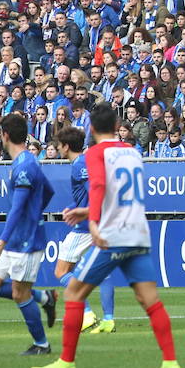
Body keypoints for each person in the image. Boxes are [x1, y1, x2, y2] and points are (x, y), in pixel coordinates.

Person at [31, 105, 181, 368]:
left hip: (114, 233)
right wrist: (87, 212)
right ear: (116, 126)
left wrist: (95, 222)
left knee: (73, 292)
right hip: (138, 230)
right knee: (149, 299)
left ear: (91, 128)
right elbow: (121, 193)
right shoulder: (133, 152)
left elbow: (98, 187)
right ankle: (170, 362)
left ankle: (66, 363)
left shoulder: (96, 154)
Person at [0, 112, 58, 356]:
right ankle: (45, 298)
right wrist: (36, 210)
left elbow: (19, 206)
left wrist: (3, 238)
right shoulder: (26, 161)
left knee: (18, 293)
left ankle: (42, 345)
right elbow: (49, 191)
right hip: (17, 237)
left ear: (5, 135)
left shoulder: (24, 165)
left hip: (25, 240)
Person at [52, 126, 114, 334]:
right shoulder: (89, 161)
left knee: (62, 271)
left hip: (87, 227)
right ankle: (109, 320)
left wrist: (83, 212)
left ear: (66, 146)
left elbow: (94, 193)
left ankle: (86, 314)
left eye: (59, 145)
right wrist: (73, 206)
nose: (58, 149)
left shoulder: (79, 164)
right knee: (103, 274)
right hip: (103, 222)